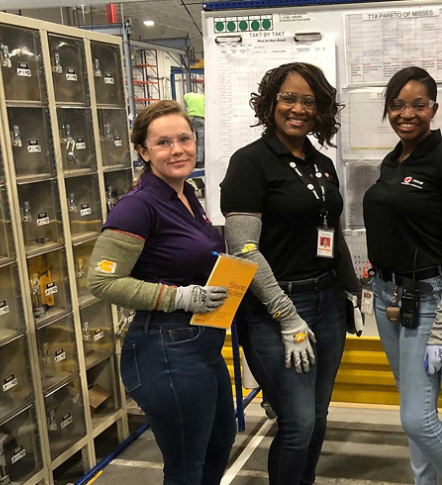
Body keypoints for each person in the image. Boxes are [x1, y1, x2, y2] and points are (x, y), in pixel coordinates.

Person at [220, 62, 360, 485]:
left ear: (320, 110)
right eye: (288, 97)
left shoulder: (321, 163)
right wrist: (287, 315)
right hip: (276, 309)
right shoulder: (250, 163)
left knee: (317, 418)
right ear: (270, 102)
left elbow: (331, 233)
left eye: (309, 101)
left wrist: (352, 289)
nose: (298, 108)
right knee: (297, 424)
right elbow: (243, 251)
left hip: (328, 302)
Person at [88, 100, 235, 485]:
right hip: (165, 348)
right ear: (143, 151)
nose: (178, 150)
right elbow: (102, 281)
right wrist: (179, 296)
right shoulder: (137, 207)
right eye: (163, 142)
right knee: (187, 467)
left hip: (200, 344)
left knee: (218, 446)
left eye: (184, 139)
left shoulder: (185, 196)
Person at [363, 66, 442, 485]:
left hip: (427, 301)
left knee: (417, 419)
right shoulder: (392, 160)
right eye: (396, 105)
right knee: (413, 407)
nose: (405, 113)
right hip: (387, 298)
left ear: (433, 107)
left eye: (416, 104)